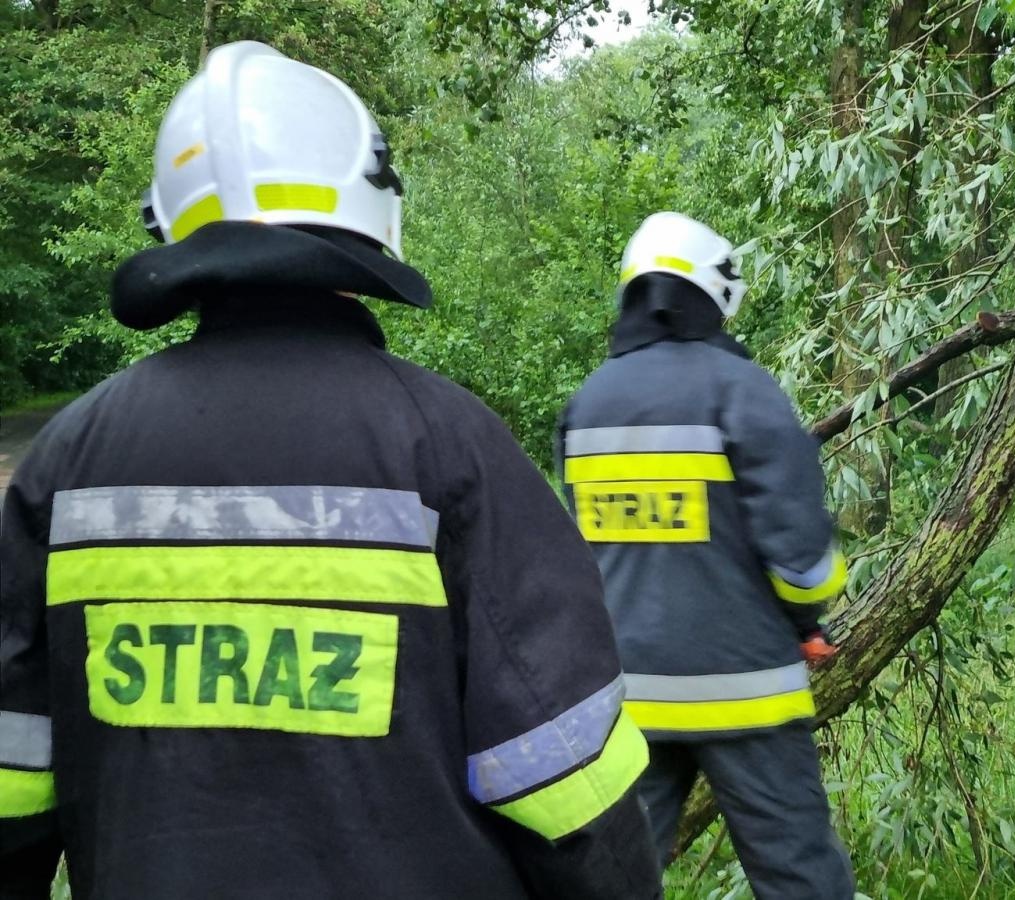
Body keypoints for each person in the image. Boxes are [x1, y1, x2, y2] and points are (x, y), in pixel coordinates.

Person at [0, 41, 658, 899]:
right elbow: (573, 790)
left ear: (172, 224)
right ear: (370, 209)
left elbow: (12, 785)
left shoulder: (69, 459)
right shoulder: (448, 446)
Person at [557, 212, 856, 898]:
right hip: (746, 692)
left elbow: (582, 550)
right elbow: (802, 556)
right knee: (798, 874)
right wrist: (808, 618)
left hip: (631, 699)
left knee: (616, 879)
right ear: (713, 293)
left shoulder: (587, 404)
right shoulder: (741, 390)